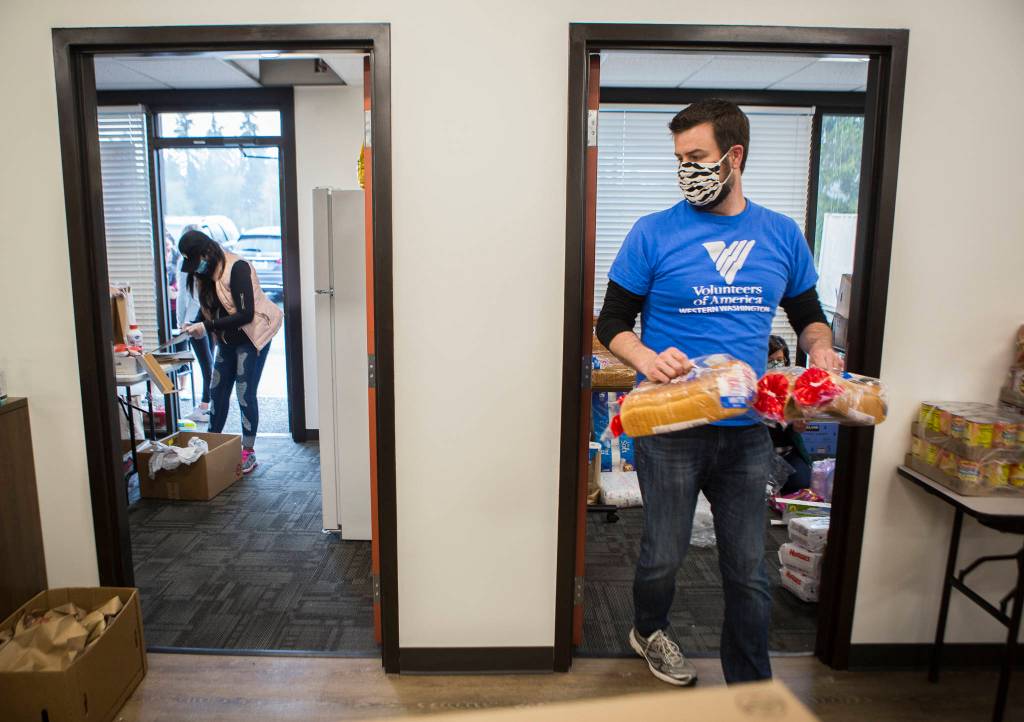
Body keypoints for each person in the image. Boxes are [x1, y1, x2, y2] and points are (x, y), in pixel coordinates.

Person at [596, 99, 843, 686]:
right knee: (664, 553)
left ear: (734, 156)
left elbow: (809, 316)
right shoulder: (652, 233)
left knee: (747, 570)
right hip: (670, 428)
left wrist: (823, 348)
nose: (686, 169)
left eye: (697, 156)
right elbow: (610, 323)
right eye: (679, 158)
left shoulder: (781, 236)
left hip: (746, 435)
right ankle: (648, 628)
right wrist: (648, 358)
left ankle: (750, 687)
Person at [178, 229, 283, 474]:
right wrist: (194, 323)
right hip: (227, 339)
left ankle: (248, 451)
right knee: (217, 389)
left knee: (245, 391)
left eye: (198, 260)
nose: (197, 268)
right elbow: (209, 308)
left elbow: (245, 315)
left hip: (252, 335)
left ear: (207, 252)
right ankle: (210, 443)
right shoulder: (203, 275)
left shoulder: (237, 268)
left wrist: (206, 326)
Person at [175, 228, 214, 423]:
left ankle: (206, 405)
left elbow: (185, 294)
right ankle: (208, 404)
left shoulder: (189, 263)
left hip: (196, 320)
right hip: (205, 317)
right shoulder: (202, 264)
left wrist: (183, 320)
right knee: (210, 362)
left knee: (207, 363)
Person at [767, 335, 813, 496]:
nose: (776, 364)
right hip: (759, 457)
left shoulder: (792, 386)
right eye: (770, 360)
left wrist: (799, 422)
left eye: (780, 359)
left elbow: (799, 428)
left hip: (787, 453)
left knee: (802, 484)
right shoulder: (753, 388)